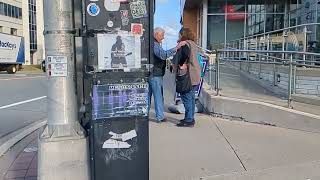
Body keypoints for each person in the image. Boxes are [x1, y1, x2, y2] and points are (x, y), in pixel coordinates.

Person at [149, 27, 185, 123]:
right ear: (156, 34)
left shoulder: (151, 43)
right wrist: (176, 48)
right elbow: (163, 55)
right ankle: (160, 116)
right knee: (158, 96)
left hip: (151, 73)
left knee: (148, 96)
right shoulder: (155, 45)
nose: (163, 38)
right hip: (155, 74)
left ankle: (144, 115)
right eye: (162, 35)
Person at [174, 28, 201, 127]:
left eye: (180, 34)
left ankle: (189, 120)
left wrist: (181, 64)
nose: (179, 36)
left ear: (183, 34)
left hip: (188, 76)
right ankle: (190, 118)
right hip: (195, 74)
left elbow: (184, 54)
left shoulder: (185, 44)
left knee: (186, 97)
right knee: (191, 98)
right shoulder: (193, 44)